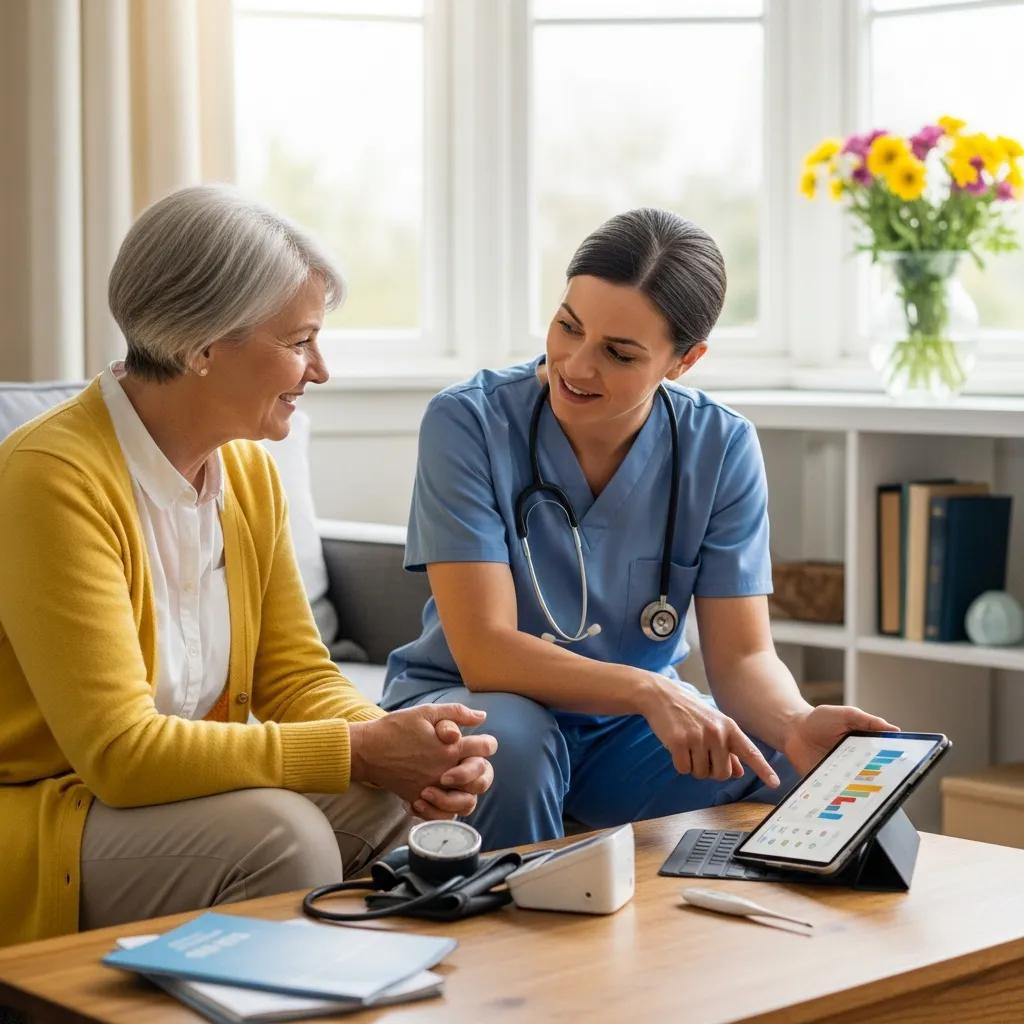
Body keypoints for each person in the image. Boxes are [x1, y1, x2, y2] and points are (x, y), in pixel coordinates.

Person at [0, 185, 496, 947]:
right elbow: (121, 754)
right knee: (280, 835)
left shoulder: (248, 475)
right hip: (45, 811)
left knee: (390, 803)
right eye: (299, 342)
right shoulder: (50, 478)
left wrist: (407, 748)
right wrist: (359, 750)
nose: (320, 369)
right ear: (202, 347)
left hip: (155, 798)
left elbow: (294, 675)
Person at [382, 207, 897, 849]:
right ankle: (519, 942)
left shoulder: (722, 445)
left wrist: (794, 722)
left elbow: (741, 657)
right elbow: (485, 649)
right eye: (567, 326)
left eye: (618, 353)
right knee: (512, 741)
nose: (575, 364)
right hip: (478, 701)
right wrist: (649, 689)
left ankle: (716, 943)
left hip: (624, 726)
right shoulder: (469, 423)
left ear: (684, 361)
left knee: (800, 765)